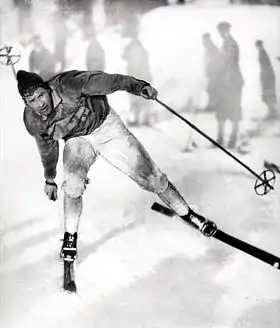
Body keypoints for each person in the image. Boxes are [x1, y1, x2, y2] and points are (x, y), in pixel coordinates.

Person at [16, 69, 215, 262]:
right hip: (78, 140)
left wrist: (139, 87)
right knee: (72, 184)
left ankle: (188, 214)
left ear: (47, 89)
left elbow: (111, 81)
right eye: (31, 101)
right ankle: (70, 236)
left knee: (151, 178)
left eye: (40, 96)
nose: (39, 104)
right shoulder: (32, 120)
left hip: (107, 128)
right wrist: (49, 178)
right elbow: (47, 147)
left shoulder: (70, 84)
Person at [216, 21, 244, 149]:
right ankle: (221, 137)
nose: (221, 34)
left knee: (233, 110)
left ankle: (233, 138)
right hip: (226, 82)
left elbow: (229, 61)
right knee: (223, 109)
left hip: (232, 82)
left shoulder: (231, 44)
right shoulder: (226, 43)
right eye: (220, 32)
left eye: (222, 31)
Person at [255, 40, 278, 121]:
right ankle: (272, 112)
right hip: (268, 76)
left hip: (267, 77)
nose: (258, 48)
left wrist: (263, 77)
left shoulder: (263, 54)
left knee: (268, 95)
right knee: (268, 95)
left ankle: (272, 113)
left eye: (258, 46)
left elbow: (266, 67)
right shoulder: (262, 53)